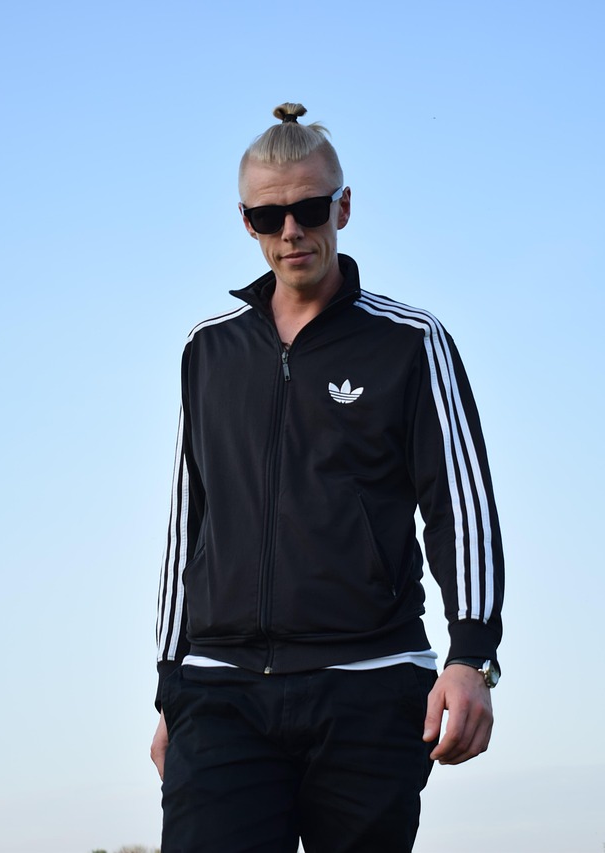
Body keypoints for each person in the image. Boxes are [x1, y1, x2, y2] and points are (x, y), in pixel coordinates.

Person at [151, 103, 505, 853]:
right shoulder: (207, 350)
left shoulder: (410, 342)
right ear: (246, 222)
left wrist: (471, 654)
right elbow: (188, 521)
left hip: (369, 682)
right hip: (220, 689)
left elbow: (460, 504)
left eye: (309, 209)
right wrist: (168, 687)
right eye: (268, 216)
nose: (291, 231)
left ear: (342, 207)